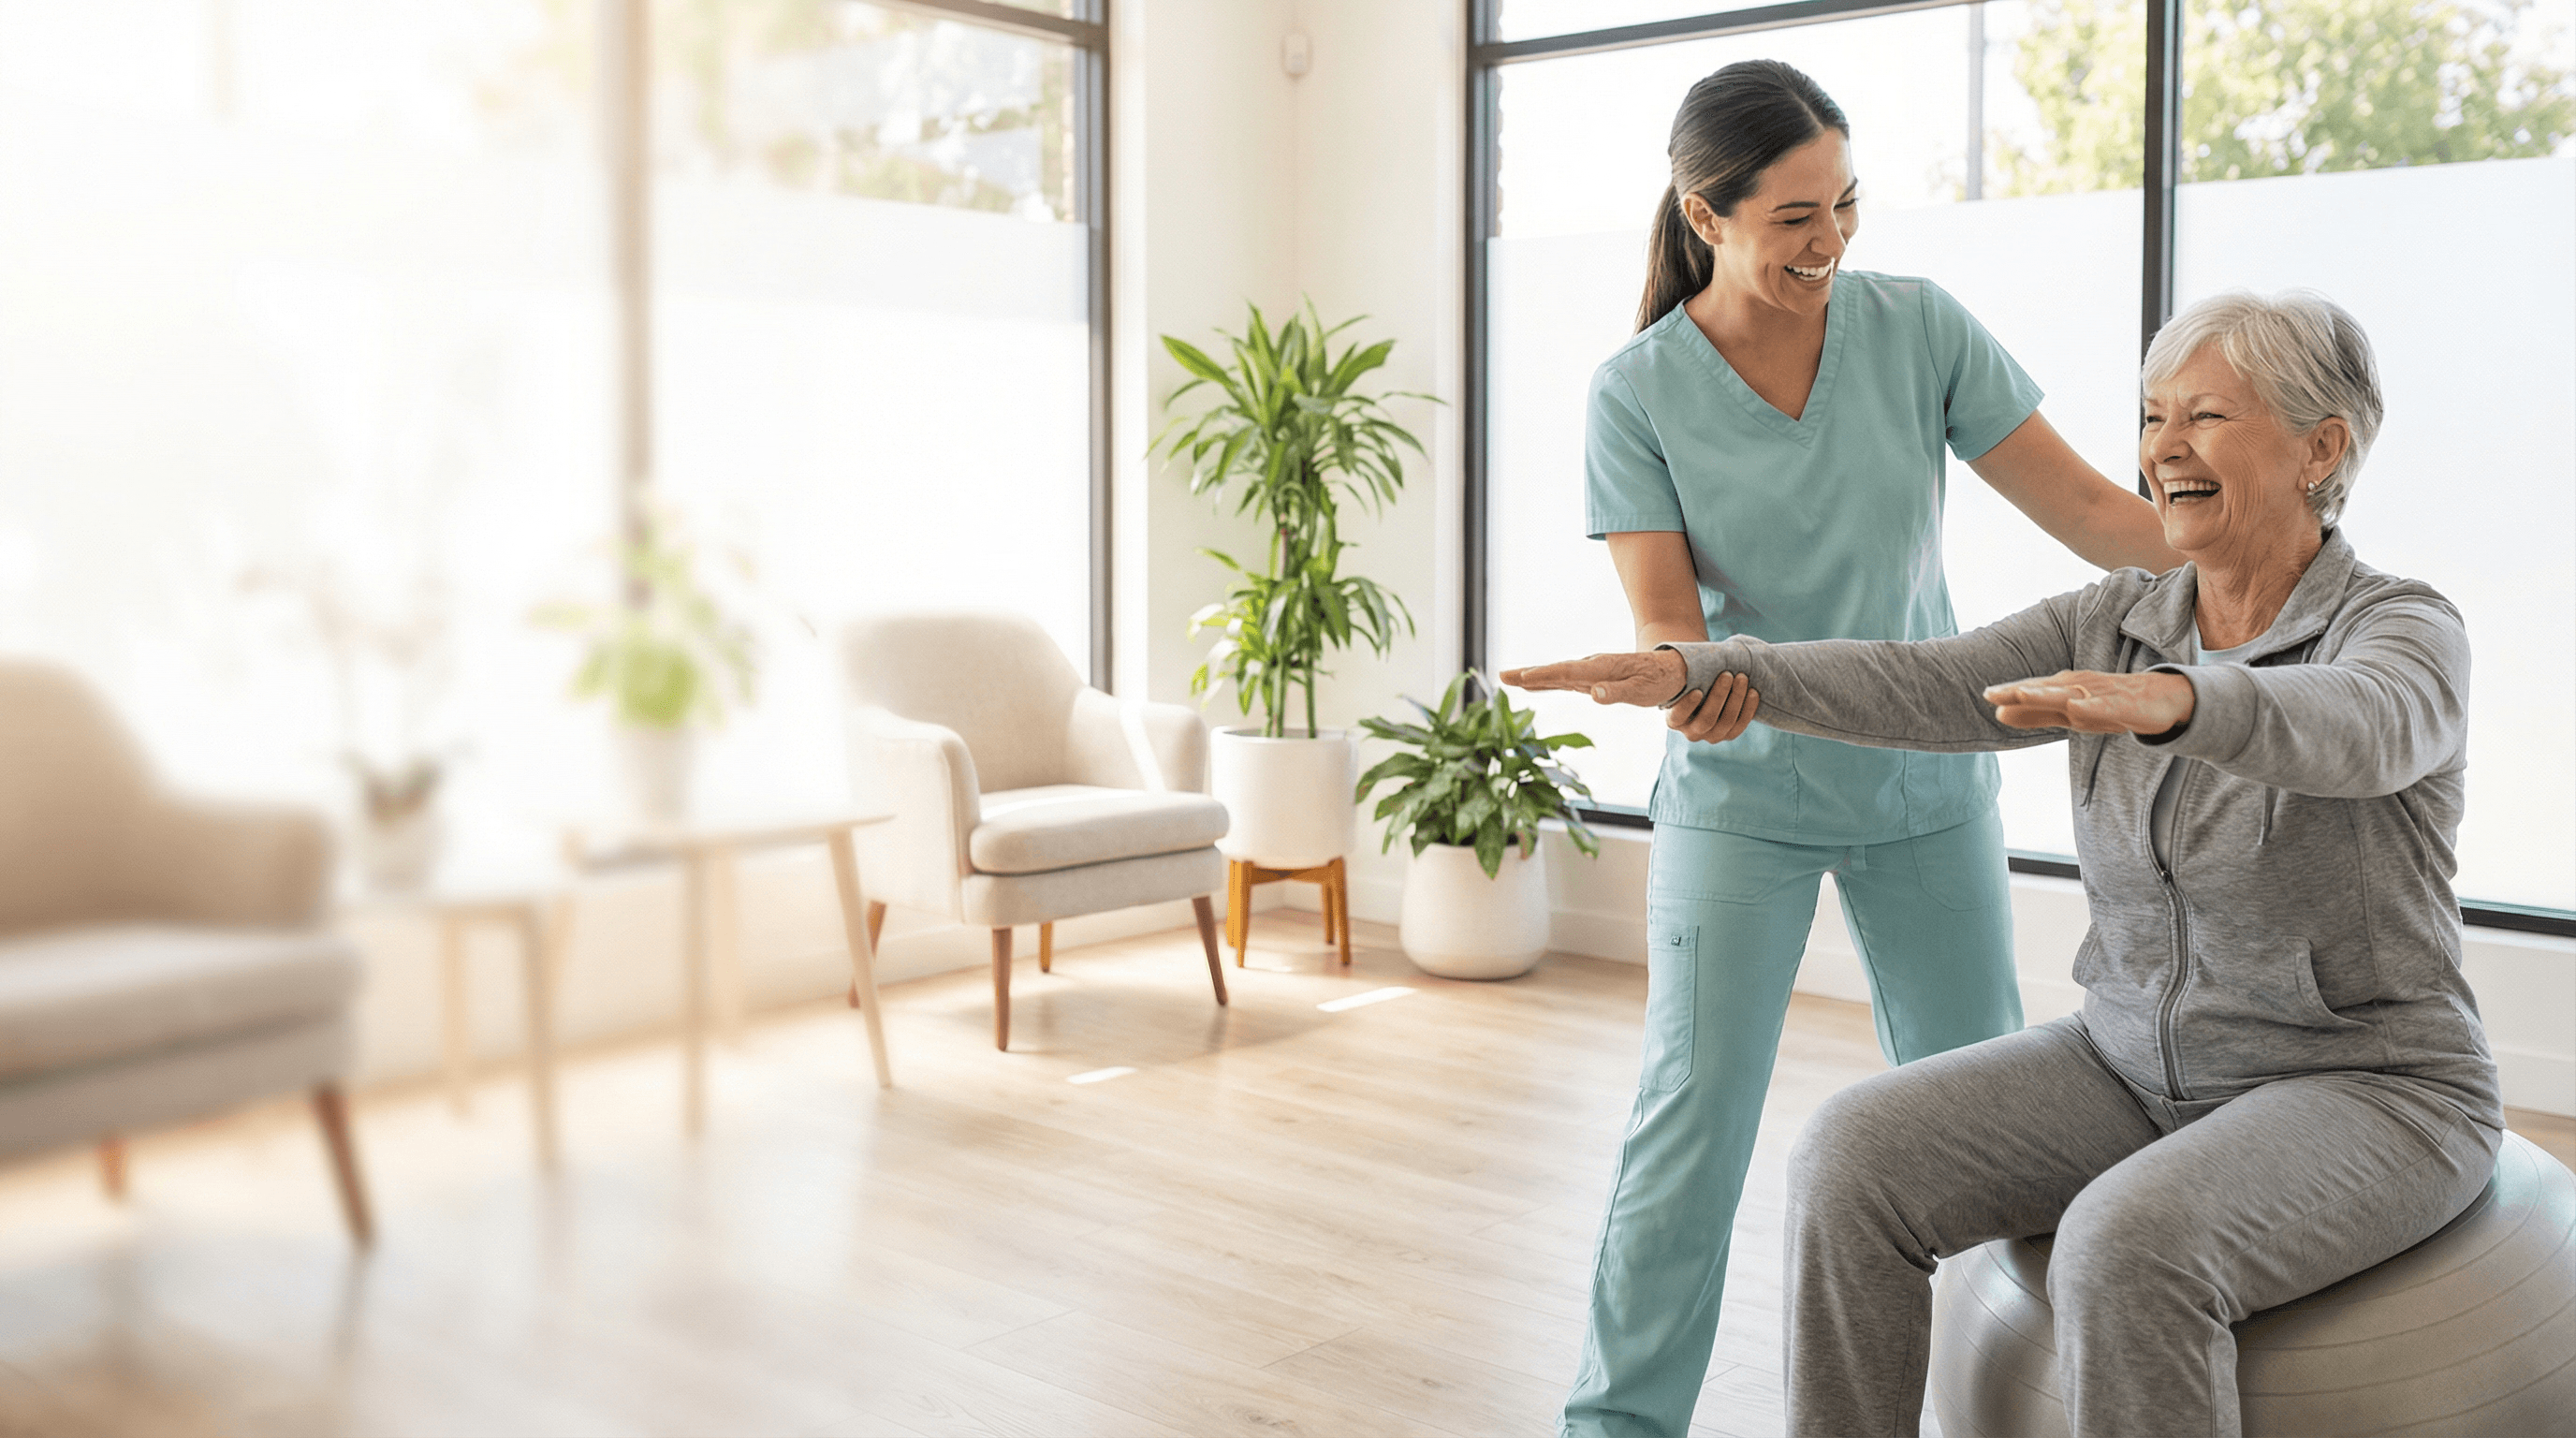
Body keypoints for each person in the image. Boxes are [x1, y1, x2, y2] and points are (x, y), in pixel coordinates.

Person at [1510, 288, 2499, 1438]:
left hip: (2366, 1083)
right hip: (2129, 1063)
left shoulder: (2400, 628)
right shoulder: (2115, 619)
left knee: (2123, 1245)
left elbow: (2363, 725)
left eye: (2206, 417)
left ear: (2319, 449)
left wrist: (2185, 702)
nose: (2164, 448)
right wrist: (1713, 667)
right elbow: (1927, 681)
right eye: (2153, 417)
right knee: (1849, 1154)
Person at [1559, 59, 2179, 1438]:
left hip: (1924, 785)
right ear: (1705, 215)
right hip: (1742, 799)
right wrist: (1688, 685)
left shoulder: (1918, 328)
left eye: (1843, 204)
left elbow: (2093, 513)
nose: (1828, 239)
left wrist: (2267, 565)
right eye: (1793, 216)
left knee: (1998, 1119)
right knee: (1690, 1128)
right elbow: (1669, 627)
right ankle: (1616, 1425)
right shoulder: (1636, 392)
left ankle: (2023, 1408)